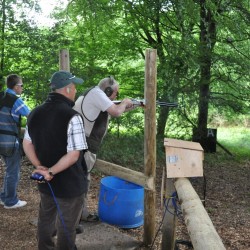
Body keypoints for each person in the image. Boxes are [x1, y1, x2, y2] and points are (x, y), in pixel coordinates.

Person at [23, 70, 88, 250]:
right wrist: (49, 171)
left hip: (45, 181)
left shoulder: (35, 112)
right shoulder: (72, 116)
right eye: (74, 88)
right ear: (67, 90)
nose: (75, 91)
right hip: (69, 183)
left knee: (46, 220)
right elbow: (74, 154)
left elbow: (27, 144)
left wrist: (40, 167)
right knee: (67, 227)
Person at [74, 76, 136, 222]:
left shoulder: (93, 94)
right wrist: (125, 102)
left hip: (82, 143)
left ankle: (80, 214)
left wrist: (131, 106)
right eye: (116, 93)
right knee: (79, 181)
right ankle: (73, 220)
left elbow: (112, 110)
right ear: (108, 90)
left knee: (83, 179)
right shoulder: (97, 94)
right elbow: (115, 111)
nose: (116, 96)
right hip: (86, 146)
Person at [0, 74, 30, 209]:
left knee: (9, 169)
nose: (22, 88)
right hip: (9, 142)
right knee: (13, 171)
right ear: (16, 86)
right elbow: (29, 113)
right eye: (21, 85)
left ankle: (4, 196)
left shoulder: (1, 96)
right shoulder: (14, 100)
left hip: (1, 141)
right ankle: (10, 201)